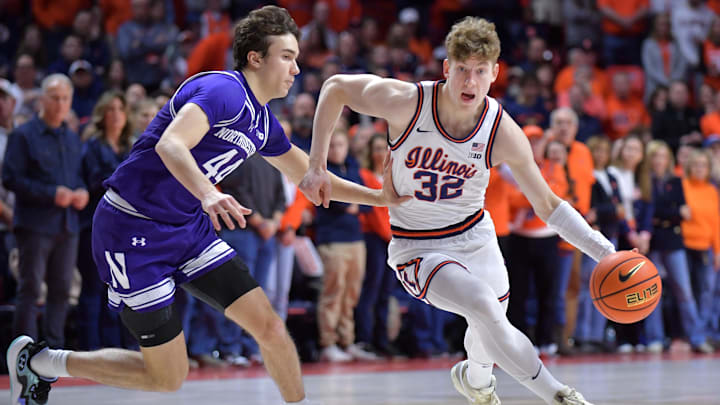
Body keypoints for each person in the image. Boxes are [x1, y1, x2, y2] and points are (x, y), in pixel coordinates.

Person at [7, 6, 405, 405]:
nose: (296, 70)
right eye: (287, 56)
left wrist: (380, 198)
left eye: (297, 59)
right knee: (167, 377)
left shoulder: (263, 122)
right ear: (256, 58)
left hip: (186, 228)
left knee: (269, 326)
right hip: (131, 228)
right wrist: (208, 192)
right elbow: (171, 144)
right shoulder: (222, 90)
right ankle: (43, 361)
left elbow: (313, 179)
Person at [300, 17, 622, 405]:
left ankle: (477, 381)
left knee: (491, 326)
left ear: (495, 73)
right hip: (419, 248)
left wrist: (607, 253)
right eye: (463, 70)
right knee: (484, 307)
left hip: (476, 237)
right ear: (447, 68)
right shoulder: (409, 102)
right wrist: (317, 164)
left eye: (480, 72)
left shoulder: (501, 131)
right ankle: (561, 396)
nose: (470, 82)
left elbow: (548, 205)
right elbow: (335, 87)